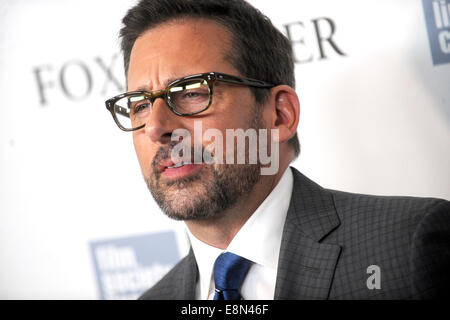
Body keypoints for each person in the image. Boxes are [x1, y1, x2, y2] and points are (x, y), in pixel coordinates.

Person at [105, 0, 450, 299]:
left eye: (193, 91)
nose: (155, 128)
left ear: (280, 115)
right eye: (139, 104)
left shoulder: (406, 250)